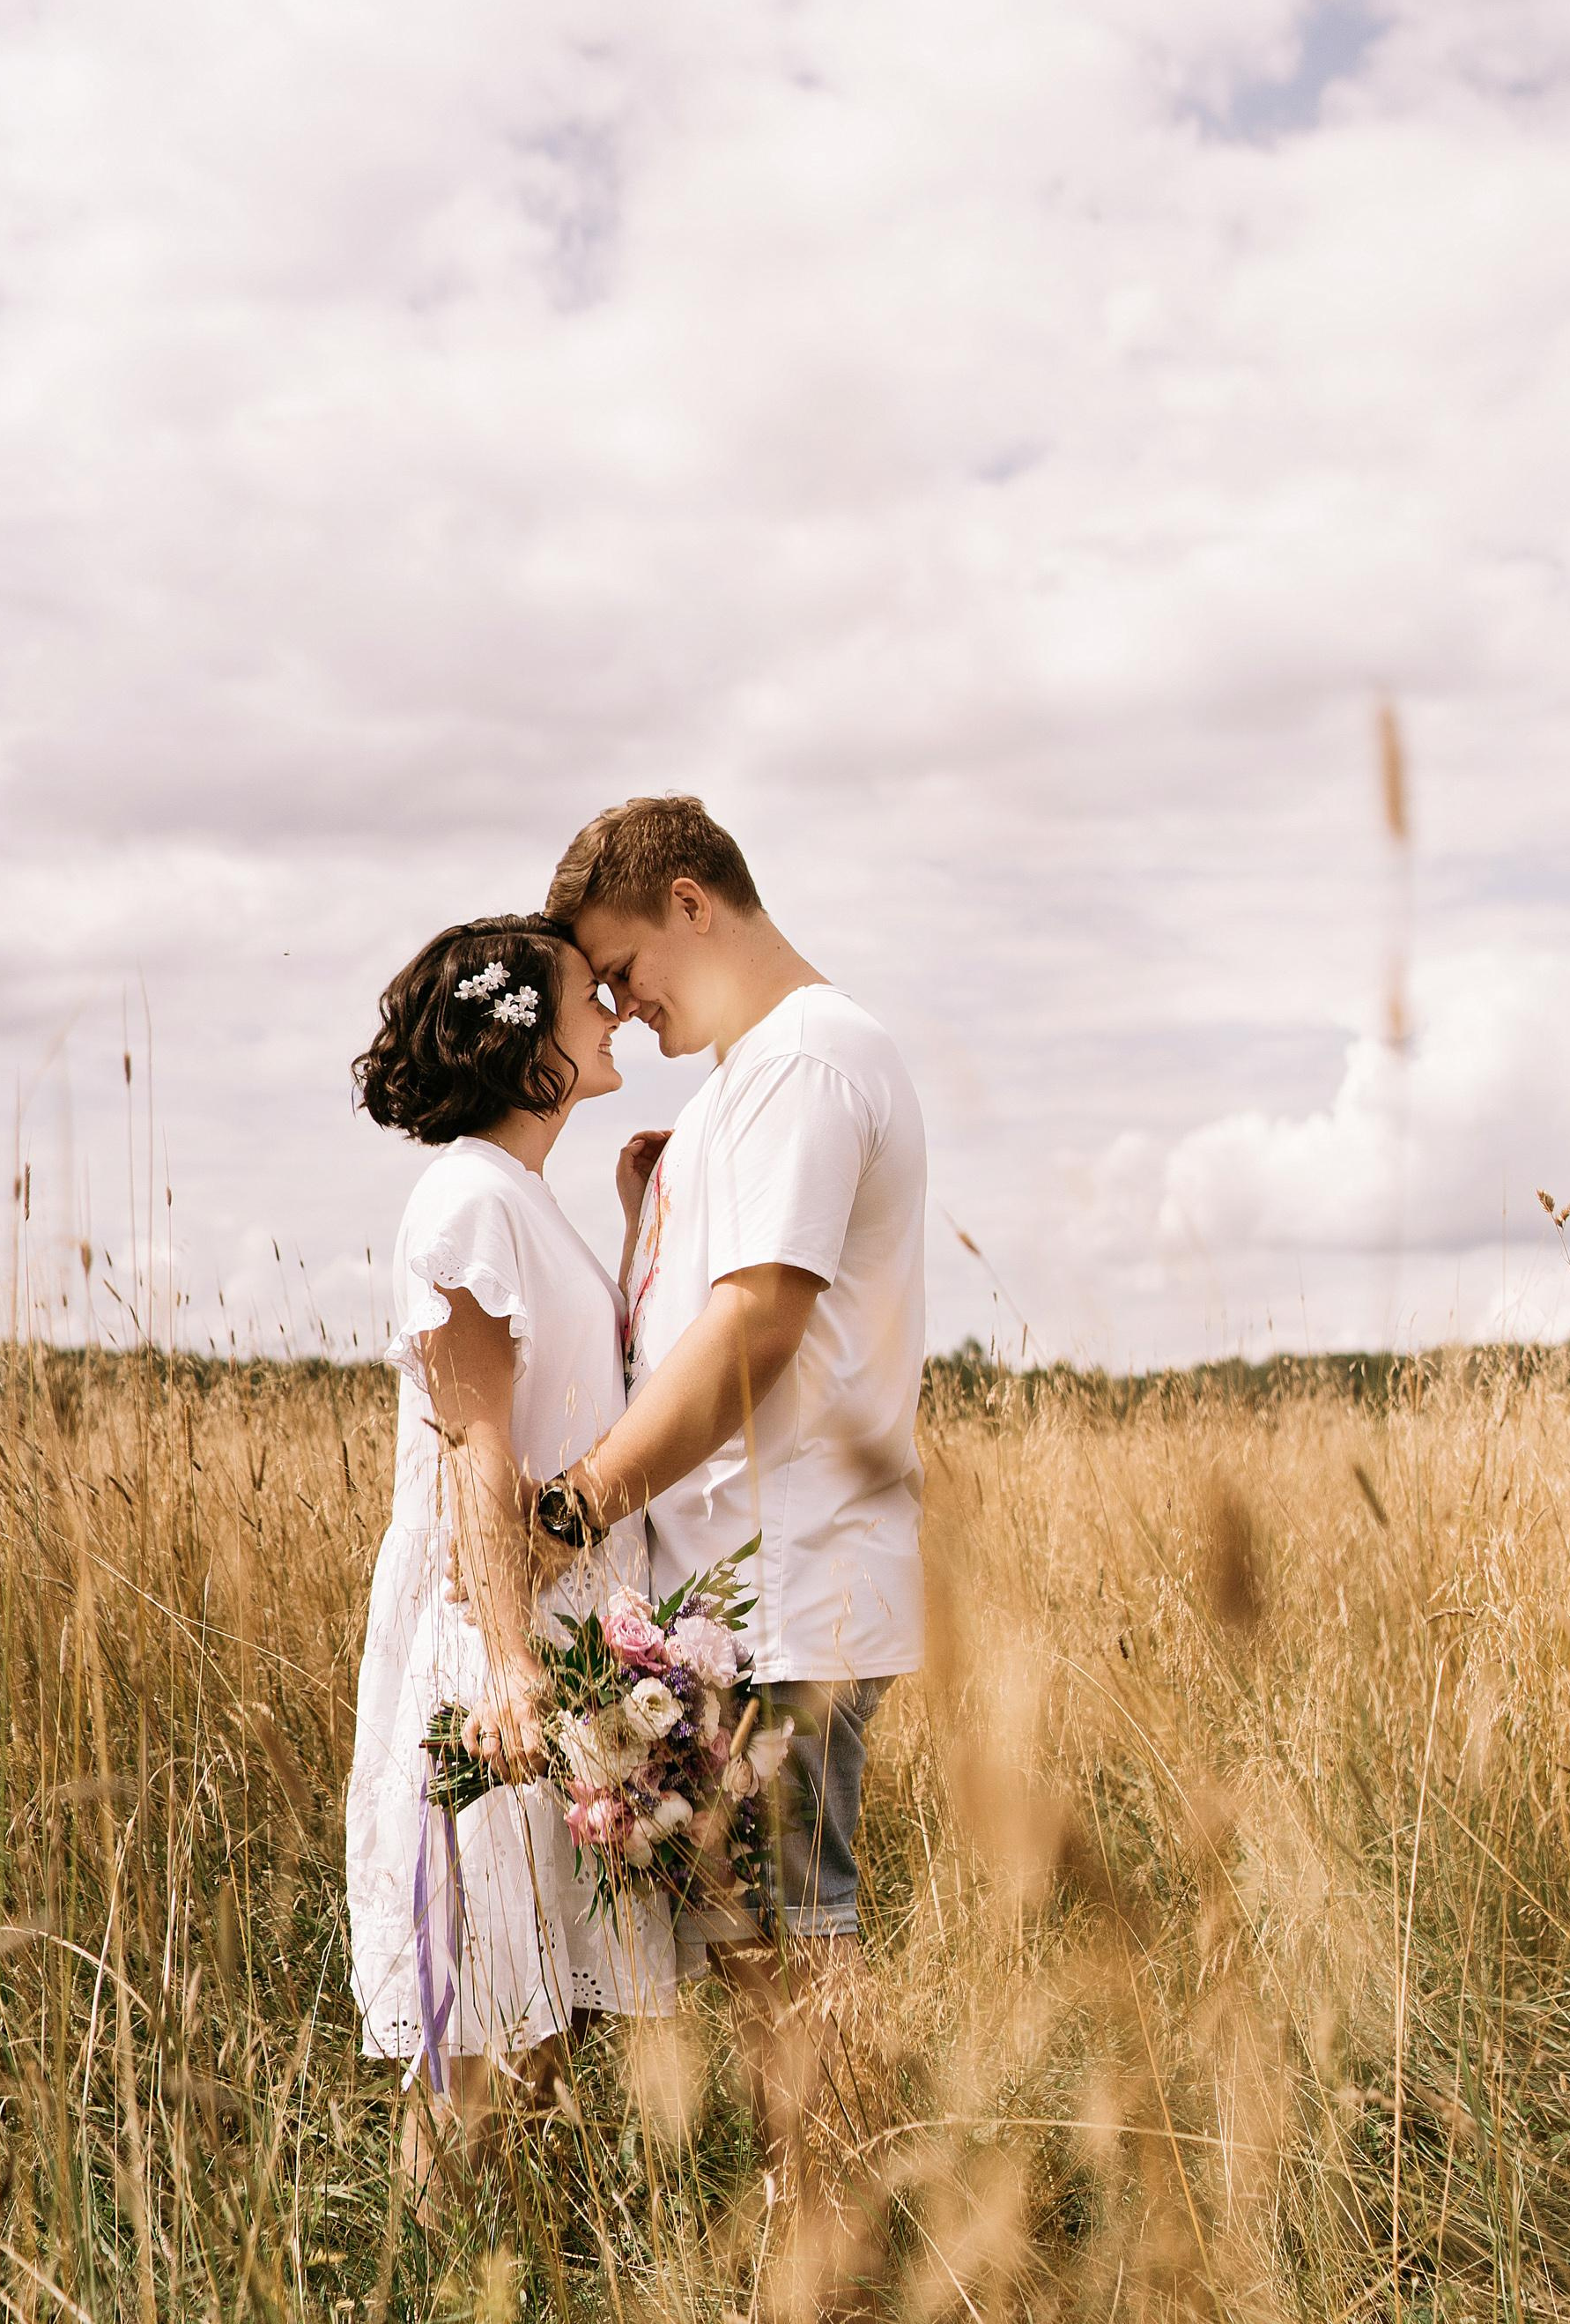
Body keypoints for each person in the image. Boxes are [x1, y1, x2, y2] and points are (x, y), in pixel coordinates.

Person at [523, 796, 927, 2166]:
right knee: (765, 1953)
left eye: (624, 971)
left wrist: (575, 1502)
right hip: (733, 1600)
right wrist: (653, 1218)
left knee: (793, 1956)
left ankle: (856, 2257)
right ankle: (831, 2243)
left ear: (692, 902)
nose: (621, 1012)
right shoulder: (738, 1095)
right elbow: (691, 1325)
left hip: (795, 1588)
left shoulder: (810, 1062)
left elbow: (756, 1330)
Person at [345, 913, 674, 2203]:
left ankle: (477, 2259)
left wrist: (638, 1222)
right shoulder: (469, 1198)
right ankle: (433, 2269)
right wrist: (505, 1669)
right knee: (481, 2034)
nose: (612, 1009)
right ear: (527, 1046)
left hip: (552, 1637)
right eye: (586, 995)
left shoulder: (518, 1197)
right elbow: (475, 1451)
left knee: (542, 2024)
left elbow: (583, 1393)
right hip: (497, 1644)